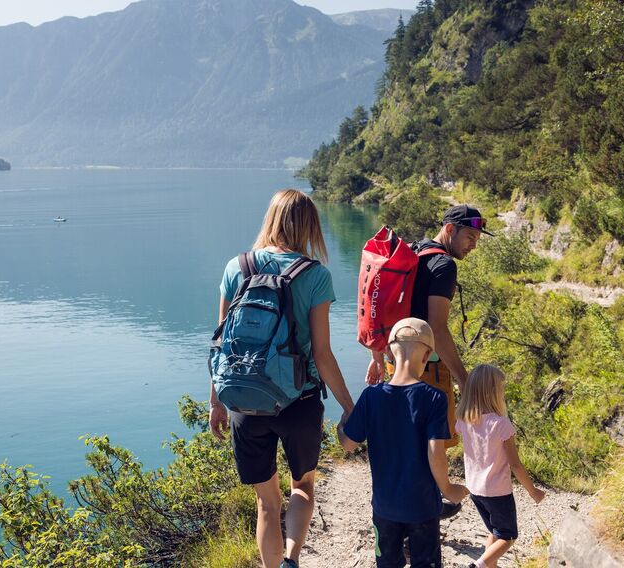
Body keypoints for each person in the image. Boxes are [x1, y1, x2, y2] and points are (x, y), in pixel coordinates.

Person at [209, 189, 355, 568]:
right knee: (302, 486)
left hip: (245, 401)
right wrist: (349, 407)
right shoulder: (315, 275)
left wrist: (215, 403)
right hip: (299, 401)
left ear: (270, 219)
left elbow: (222, 342)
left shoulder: (236, 267)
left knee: (266, 502)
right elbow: (322, 354)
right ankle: (292, 558)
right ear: (309, 225)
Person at [367, 204, 493, 517]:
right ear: (449, 229)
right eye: (470, 236)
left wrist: (377, 355)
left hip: (399, 359)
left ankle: (413, 508)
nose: (474, 244)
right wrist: (463, 377)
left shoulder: (414, 251)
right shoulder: (444, 265)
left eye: (477, 238)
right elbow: (437, 326)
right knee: (432, 440)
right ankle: (420, 514)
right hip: (430, 365)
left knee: (410, 438)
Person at [339, 318, 469, 568]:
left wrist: (341, 426)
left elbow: (347, 444)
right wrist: (448, 489)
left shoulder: (370, 396)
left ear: (388, 351)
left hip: (384, 508)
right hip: (423, 508)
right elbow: (436, 453)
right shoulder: (434, 398)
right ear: (428, 355)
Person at [455, 364, 546, 568]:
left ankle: (490, 565)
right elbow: (515, 464)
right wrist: (533, 492)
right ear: (493, 392)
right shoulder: (501, 424)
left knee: (495, 533)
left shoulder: (464, 420)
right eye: (501, 388)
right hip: (497, 492)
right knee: (508, 536)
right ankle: (478, 565)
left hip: (475, 489)